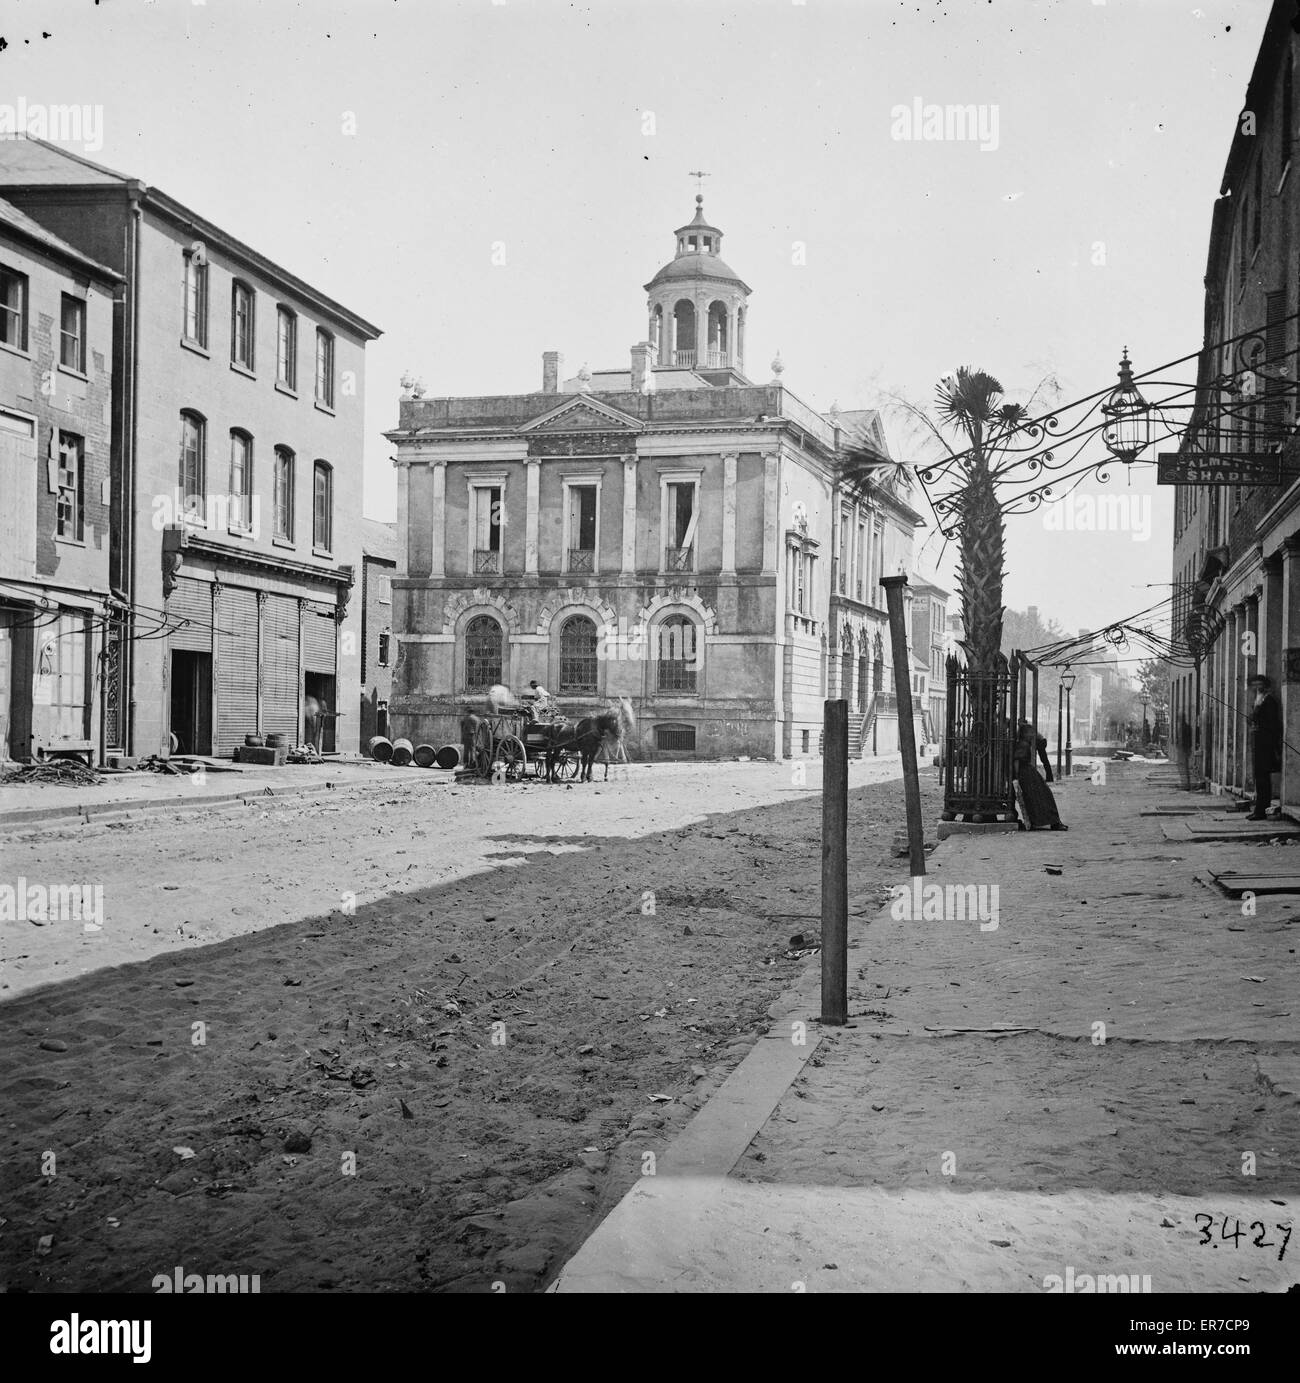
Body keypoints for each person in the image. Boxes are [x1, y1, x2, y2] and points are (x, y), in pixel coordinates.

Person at [1014, 719, 1067, 830]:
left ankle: (1050, 821)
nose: (1032, 735)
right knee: (1044, 795)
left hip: (1027, 773)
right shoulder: (1024, 745)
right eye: (1030, 733)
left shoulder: (1024, 744)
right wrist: (1016, 777)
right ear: (1025, 734)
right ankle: (1053, 822)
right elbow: (1017, 761)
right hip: (1027, 774)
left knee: (1040, 795)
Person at [1247, 673, 1283, 820]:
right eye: (1254, 685)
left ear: (1265, 685)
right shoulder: (1258, 700)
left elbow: (1272, 724)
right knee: (1259, 777)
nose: (1256, 687)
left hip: (1266, 744)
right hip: (1258, 742)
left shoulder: (1269, 701)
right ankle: (1258, 809)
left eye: (1259, 684)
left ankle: (1261, 810)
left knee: (1263, 778)